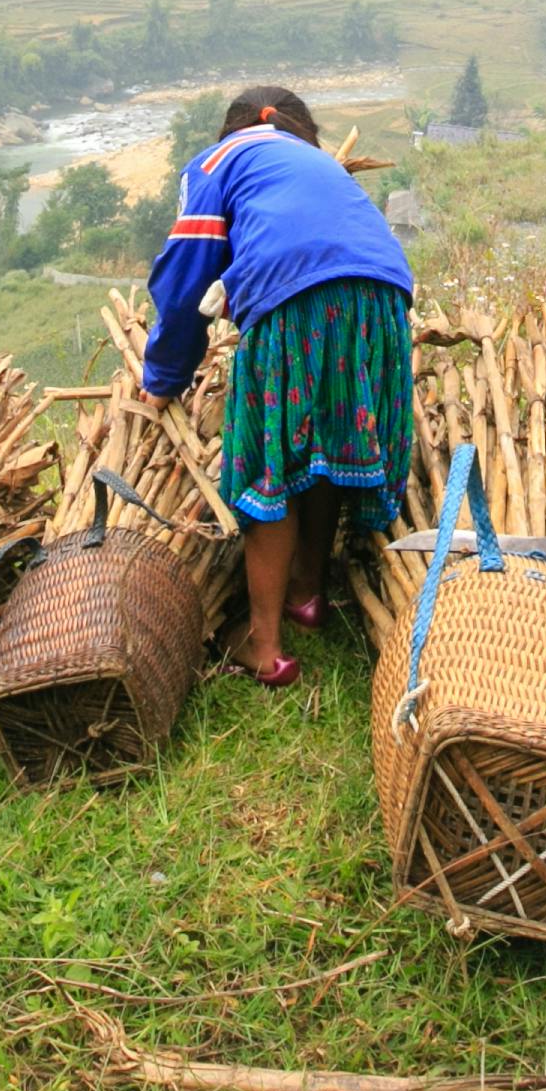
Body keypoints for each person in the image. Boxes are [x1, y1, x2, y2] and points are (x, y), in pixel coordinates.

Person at [139, 86, 412, 687]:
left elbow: (186, 276)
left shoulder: (216, 161)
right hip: (384, 297)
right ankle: (307, 592)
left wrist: (163, 377)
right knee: (323, 447)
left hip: (298, 298)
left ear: (230, 129)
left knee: (274, 463)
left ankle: (264, 645)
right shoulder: (317, 164)